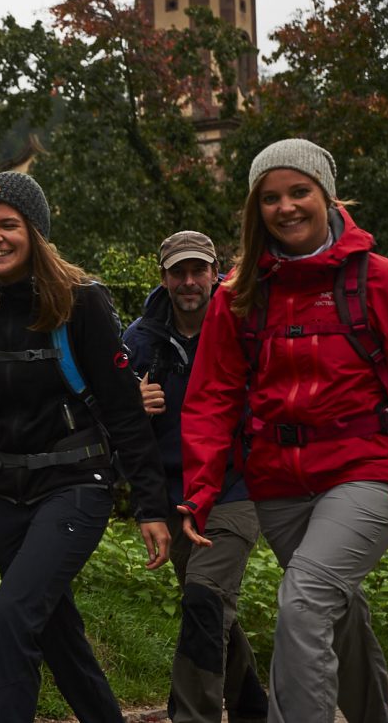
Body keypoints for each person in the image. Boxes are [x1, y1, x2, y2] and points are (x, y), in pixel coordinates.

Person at [178, 138, 388, 723]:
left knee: (303, 603)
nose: (286, 207)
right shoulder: (239, 295)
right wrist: (201, 492)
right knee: (335, 610)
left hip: (367, 472)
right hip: (278, 486)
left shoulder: (378, 281)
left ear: (326, 196)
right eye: (270, 198)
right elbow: (211, 400)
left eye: (299, 191)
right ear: (256, 211)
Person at [0, 171, 170, 723]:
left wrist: (150, 506)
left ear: (34, 231)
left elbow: (124, 412)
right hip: (5, 492)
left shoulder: (81, 302)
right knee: (55, 630)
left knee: (12, 616)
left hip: (76, 485)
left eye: (8, 225)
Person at [124, 231, 268, 723]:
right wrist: (132, 404)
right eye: (178, 272)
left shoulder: (243, 324)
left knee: (205, 601)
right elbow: (114, 422)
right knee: (209, 608)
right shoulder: (139, 341)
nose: (189, 282)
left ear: (214, 272)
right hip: (176, 498)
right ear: (163, 278)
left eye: (198, 270)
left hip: (235, 489)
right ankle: (254, 710)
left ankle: (190, 716)